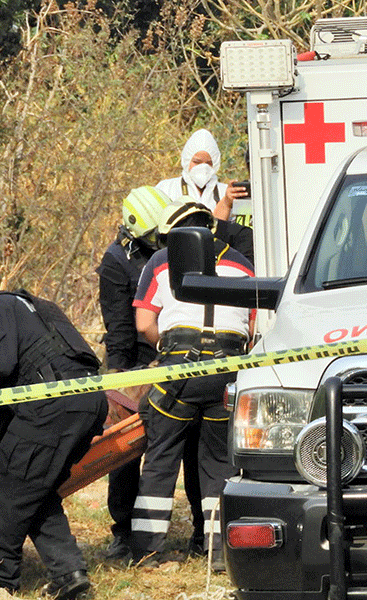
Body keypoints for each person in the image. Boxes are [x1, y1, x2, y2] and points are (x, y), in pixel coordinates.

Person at [0, 286, 107, 600]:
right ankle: (70, 574)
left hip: (51, 405)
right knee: (34, 488)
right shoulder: (30, 306)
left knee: (7, 486)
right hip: (88, 402)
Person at [130, 202, 253, 570]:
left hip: (179, 374)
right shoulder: (243, 263)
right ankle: (219, 553)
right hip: (227, 373)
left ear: (174, 232)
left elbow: (142, 323)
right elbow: (253, 325)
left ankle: (147, 552)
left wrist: (166, 350)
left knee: (161, 460)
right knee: (219, 465)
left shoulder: (162, 260)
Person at [96, 185, 207, 561]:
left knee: (193, 447)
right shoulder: (116, 261)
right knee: (126, 454)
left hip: (179, 358)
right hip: (138, 362)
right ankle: (124, 531)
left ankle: (201, 530)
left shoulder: (175, 251)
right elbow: (119, 326)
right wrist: (122, 377)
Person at [155, 128, 252, 224]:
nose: (203, 167)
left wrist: (227, 203)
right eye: (197, 162)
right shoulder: (166, 189)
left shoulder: (226, 193)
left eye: (208, 163)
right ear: (186, 160)